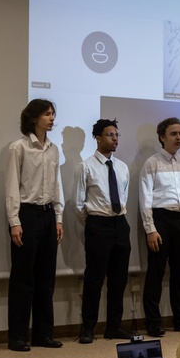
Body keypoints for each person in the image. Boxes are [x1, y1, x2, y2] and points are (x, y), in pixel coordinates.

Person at [5, 99, 64, 352]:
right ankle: (18, 336)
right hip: (26, 215)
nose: (51, 118)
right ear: (33, 118)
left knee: (46, 278)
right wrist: (14, 221)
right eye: (47, 114)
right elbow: (11, 186)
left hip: (48, 214)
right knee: (22, 278)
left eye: (53, 114)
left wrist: (59, 217)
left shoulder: (53, 148)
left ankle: (43, 334)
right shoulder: (18, 147)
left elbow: (56, 184)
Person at [75, 119, 136, 343]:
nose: (115, 139)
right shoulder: (86, 166)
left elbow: (124, 195)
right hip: (98, 225)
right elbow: (79, 204)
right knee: (94, 278)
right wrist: (94, 223)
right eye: (110, 135)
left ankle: (113, 326)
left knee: (119, 279)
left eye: (117, 135)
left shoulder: (122, 167)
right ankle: (88, 328)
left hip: (120, 224)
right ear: (98, 138)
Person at [140, 117, 180, 337]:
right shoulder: (152, 163)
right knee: (156, 272)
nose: (178, 138)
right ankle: (153, 321)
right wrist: (150, 229)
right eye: (173, 134)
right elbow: (145, 198)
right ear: (162, 137)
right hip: (161, 220)